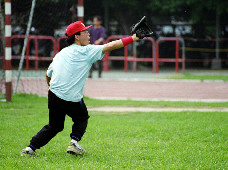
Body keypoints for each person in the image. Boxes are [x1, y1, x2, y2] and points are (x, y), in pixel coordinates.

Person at [21, 21, 139, 156]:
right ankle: (74, 143)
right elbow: (111, 45)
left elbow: (48, 75)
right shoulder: (86, 51)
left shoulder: (61, 53)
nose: (88, 34)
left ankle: (30, 148)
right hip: (71, 97)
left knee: (54, 126)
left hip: (53, 94)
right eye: (85, 32)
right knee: (82, 117)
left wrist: (51, 87)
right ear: (77, 36)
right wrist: (134, 38)